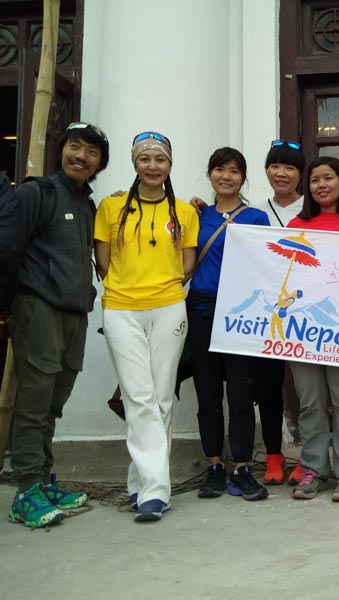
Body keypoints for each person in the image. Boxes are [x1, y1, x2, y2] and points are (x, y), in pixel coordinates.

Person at [3, 122, 109, 528]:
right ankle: (26, 489)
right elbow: (9, 245)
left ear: (99, 163)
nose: (80, 156)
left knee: (52, 402)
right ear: (61, 150)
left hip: (73, 313)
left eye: (91, 152)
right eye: (74, 147)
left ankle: (44, 480)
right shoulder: (37, 193)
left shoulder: (87, 204)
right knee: (33, 401)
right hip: (39, 308)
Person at [94, 131, 199, 522]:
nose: (152, 166)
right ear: (134, 163)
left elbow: (187, 265)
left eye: (160, 159)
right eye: (145, 158)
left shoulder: (184, 212)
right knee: (138, 396)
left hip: (170, 307)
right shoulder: (111, 206)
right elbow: (103, 261)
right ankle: (157, 491)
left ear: (170, 166)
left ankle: (142, 484)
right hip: (121, 308)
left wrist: (162, 287)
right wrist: (129, 287)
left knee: (161, 398)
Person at [187, 147, 269, 501]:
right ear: (210, 175)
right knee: (207, 394)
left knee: (240, 394)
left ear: (243, 178)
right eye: (219, 169)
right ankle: (215, 465)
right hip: (202, 310)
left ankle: (242, 467)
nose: (226, 176)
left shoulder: (256, 218)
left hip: (240, 316)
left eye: (234, 171)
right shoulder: (195, 216)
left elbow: (267, 267)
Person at [286, 156, 339, 502]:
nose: (321, 185)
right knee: (310, 402)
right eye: (315, 180)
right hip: (302, 327)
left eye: (328, 178)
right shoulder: (294, 223)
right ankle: (314, 470)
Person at [253, 140, 306, 486]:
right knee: (268, 385)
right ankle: (274, 455)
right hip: (267, 314)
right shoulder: (253, 212)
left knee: (308, 388)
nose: (281, 173)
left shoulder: (315, 208)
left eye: (289, 167)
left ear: (300, 173)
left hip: (307, 311)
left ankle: (310, 457)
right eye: (275, 166)